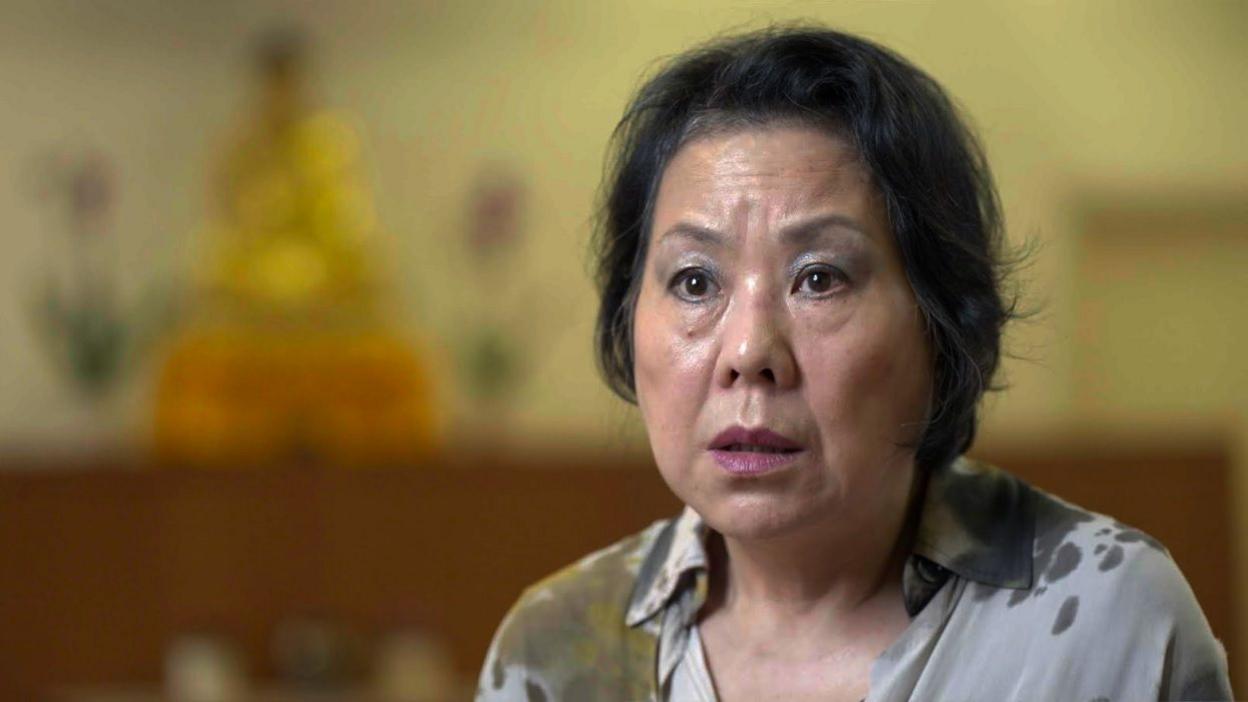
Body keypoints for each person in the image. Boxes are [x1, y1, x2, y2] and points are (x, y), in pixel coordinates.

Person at [476, 26, 1233, 701]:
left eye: (819, 278)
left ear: (943, 324)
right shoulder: (556, 649)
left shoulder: (1106, 620)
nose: (748, 354)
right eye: (694, 281)